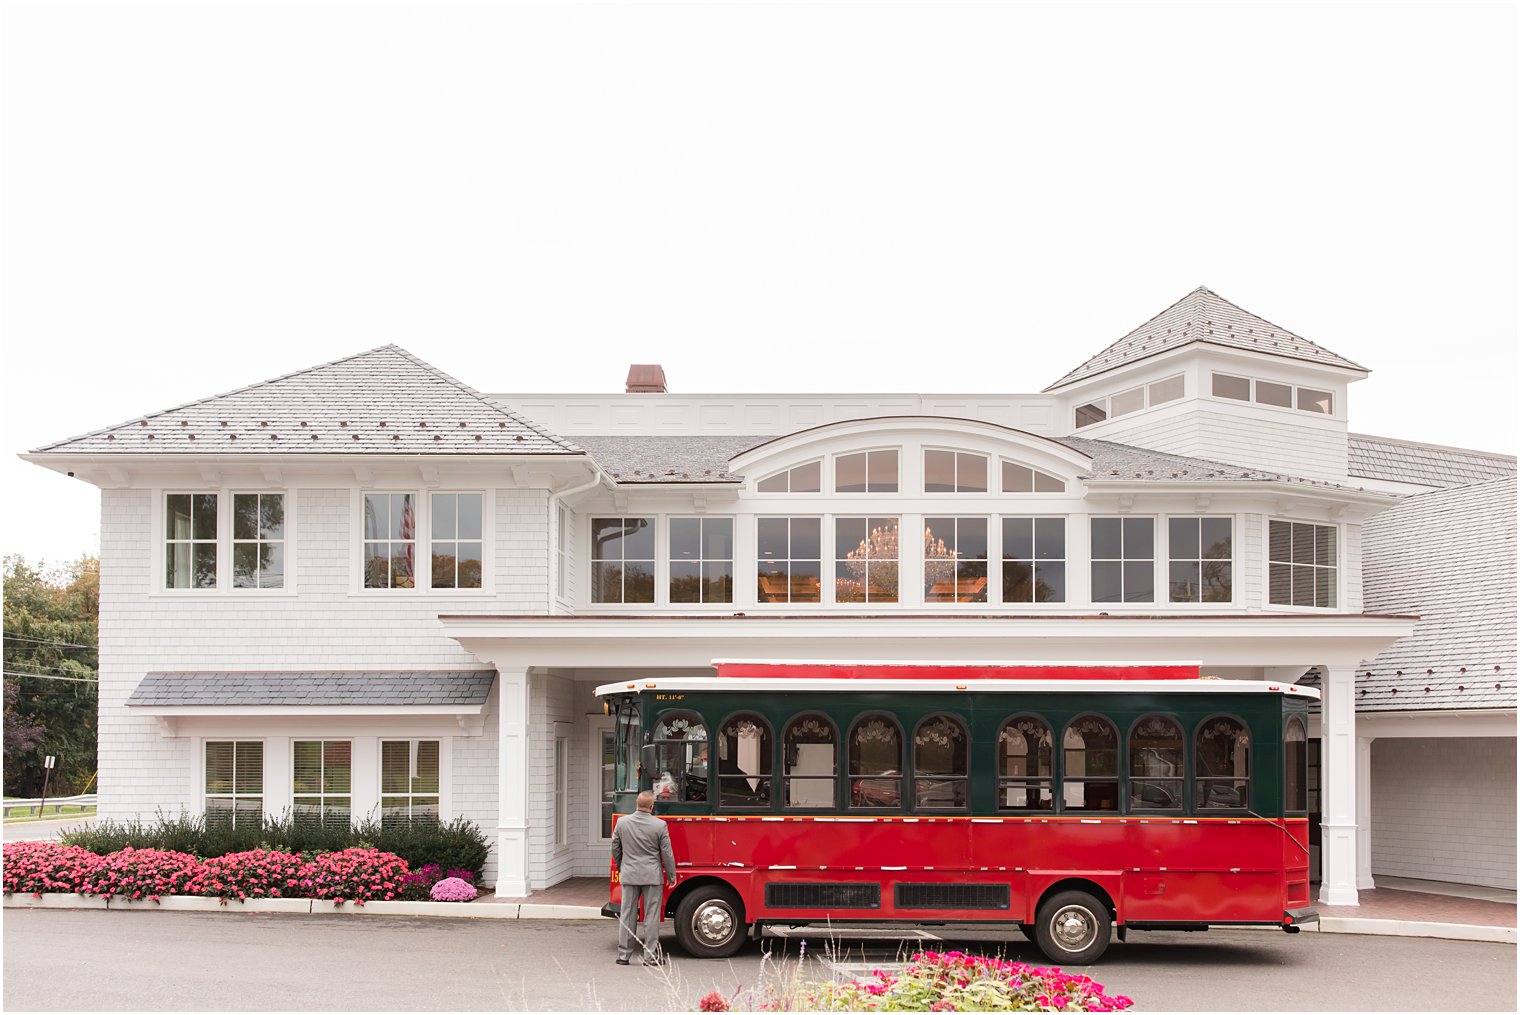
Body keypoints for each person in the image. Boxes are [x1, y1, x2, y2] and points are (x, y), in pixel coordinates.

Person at [610, 789, 678, 966]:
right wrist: (671, 874)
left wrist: (621, 866)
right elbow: (667, 853)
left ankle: (624, 956)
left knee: (627, 915)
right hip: (651, 876)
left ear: (636, 804)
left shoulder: (622, 822)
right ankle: (650, 956)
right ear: (652, 806)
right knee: (651, 916)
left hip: (630, 874)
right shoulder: (659, 825)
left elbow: (615, 847)